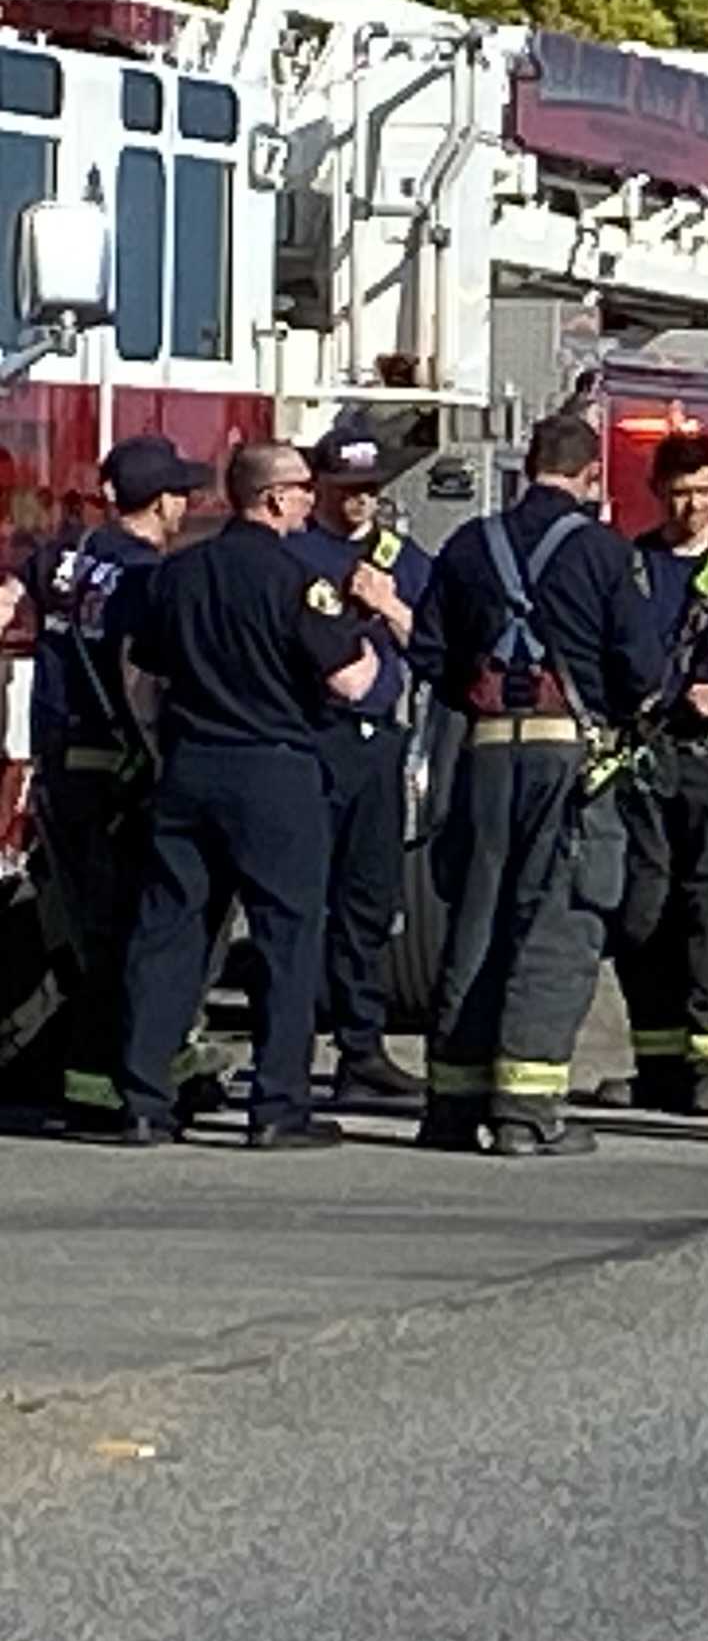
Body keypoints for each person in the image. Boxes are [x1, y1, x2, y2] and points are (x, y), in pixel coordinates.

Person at [105, 440, 383, 1148]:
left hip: (190, 766)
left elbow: (140, 671)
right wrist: (373, 636)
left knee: (169, 931)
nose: (306, 500)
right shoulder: (298, 579)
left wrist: (160, 745)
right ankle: (278, 1106)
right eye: (300, 489)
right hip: (274, 771)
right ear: (273, 497)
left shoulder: (178, 575)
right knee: (287, 937)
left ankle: (142, 1100)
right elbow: (352, 682)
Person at [424, 412, 661, 1156]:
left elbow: (431, 654)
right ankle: (527, 1112)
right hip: (570, 759)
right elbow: (643, 671)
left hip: (487, 753)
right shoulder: (603, 552)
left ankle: (454, 1105)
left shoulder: (468, 545)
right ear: (592, 475)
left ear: (528, 466)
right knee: (558, 923)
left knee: (477, 919)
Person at [43, 436, 207, 1134]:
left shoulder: (61, 560)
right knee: (134, 935)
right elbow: (145, 677)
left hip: (60, 763)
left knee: (89, 933)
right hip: (119, 769)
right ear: (164, 500)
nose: (187, 505)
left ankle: (91, 1082)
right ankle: (113, 1084)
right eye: (183, 494)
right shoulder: (147, 577)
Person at [613, 430, 708, 1116]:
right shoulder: (634, 566)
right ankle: (658, 1061)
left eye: (705, 492)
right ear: (657, 492)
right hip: (650, 762)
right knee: (645, 911)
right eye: (680, 493)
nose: (693, 507)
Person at [285, 415, 438, 1110]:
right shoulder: (296, 552)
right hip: (311, 742)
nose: (359, 501)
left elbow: (435, 649)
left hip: (378, 745)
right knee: (298, 899)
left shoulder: (401, 557)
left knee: (369, 903)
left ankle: (362, 1049)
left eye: (370, 489)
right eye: (347, 487)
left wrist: (391, 604)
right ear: (319, 486)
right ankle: (286, 1047)